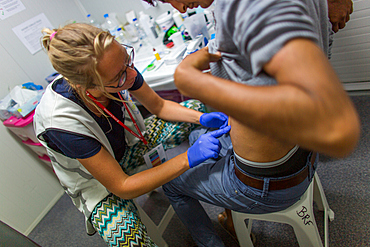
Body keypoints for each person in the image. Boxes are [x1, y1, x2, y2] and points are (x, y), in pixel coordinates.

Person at [143, 0, 360, 246]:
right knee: (197, 137)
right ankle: (232, 219)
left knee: (170, 182)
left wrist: (193, 81)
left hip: (268, 183)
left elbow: (338, 129)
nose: (180, 8)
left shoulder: (243, 6)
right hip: (302, 157)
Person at [34, 23, 231, 247]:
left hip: (133, 144)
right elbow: (122, 186)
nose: (131, 75)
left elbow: (159, 106)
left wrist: (200, 118)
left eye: (128, 61)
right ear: (86, 85)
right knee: (127, 239)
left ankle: (223, 214)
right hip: (98, 182)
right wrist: (188, 158)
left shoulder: (118, 67)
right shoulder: (61, 123)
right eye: (119, 76)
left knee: (195, 107)